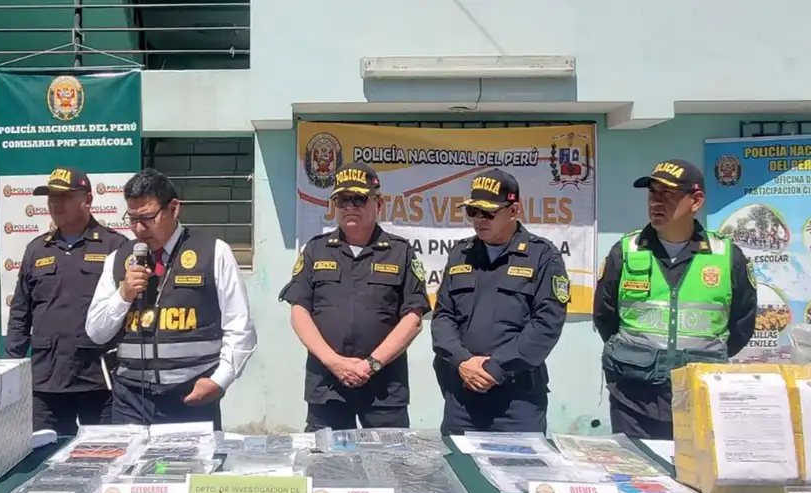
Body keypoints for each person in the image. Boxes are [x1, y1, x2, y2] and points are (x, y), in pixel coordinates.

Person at [594, 159, 757, 440]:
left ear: (696, 201)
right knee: (637, 480)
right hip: (634, 397)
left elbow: (742, 325)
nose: (656, 202)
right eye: (652, 193)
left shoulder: (726, 256)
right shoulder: (626, 251)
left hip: (699, 398)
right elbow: (605, 317)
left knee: (693, 480)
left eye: (667, 194)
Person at [85, 168, 256, 429]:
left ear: (174, 209)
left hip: (191, 397)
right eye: (132, 219)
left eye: (148, 218)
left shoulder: (213, 252)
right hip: (130, 400)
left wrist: (219, 381)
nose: (139, 229)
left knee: (188, 469)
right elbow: (96, 332)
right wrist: (124, 294)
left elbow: (240, 327)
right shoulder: (119, 260)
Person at [279, 162, 430, 431]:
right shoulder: (316, 250)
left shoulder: (400, 252)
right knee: (327, 467)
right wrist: (333, 362)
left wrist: (371, 365)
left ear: (378, 202)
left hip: (384, 387)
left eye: (359, 199)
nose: (350, 207)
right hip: (327, 385)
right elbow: (299, 311)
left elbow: (413, 318)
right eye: (342, 200)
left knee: (390, 466)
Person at [432, 169, 569, 435]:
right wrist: (462, 361)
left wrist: (494, 368)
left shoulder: (542, 256)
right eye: (472, 212)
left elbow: (546, 325)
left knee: (519, 473)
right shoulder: (461, 254)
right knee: (461, 472)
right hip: (462, 395)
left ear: (514, 210)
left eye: (488, 213)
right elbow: (443, 317)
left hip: (517, 400)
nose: (479, 220)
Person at [5, 167, 128, 435]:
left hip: (98, 378)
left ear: (88, 199)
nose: (55, 203)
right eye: (51, 197)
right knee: (44, 459)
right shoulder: (37, 249)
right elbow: (20, 312)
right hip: (46, 381)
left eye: (64, 196)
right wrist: (12, 363)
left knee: (104, 455)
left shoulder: (114, 246)